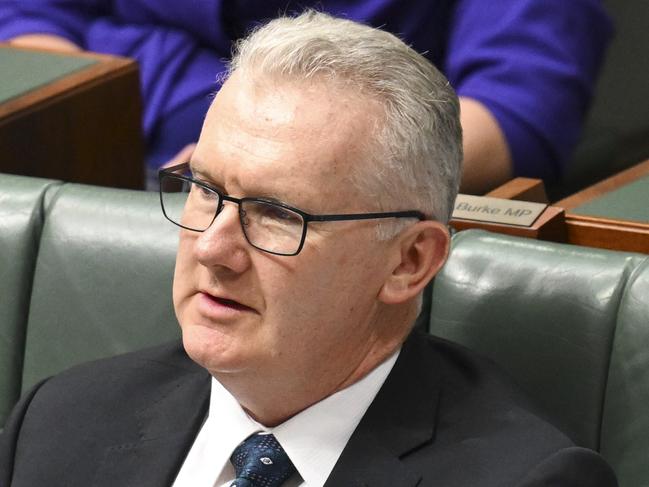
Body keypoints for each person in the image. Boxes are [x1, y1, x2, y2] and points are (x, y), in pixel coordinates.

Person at [0, 11, 617, 487]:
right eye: (204, 190)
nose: (214, 249)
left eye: (276, 215)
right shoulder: (60, 421)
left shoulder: (525, 478)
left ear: (410, 262)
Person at [0, 1, 612, 193]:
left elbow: (519, 108)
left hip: (339, 193)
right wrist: (81, 121)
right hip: (93, 152)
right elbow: (29, 13)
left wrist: (302, 175)